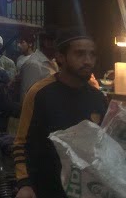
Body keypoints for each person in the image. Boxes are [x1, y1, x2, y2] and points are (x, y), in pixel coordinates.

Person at [13, 29, 107, 198]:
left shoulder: (97, 98)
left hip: (86, 188)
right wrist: (24, 183)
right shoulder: (40, 92)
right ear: (61, 57)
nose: (88, 61)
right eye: (79, 54)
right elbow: (21, 142)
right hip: (46, 187)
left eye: (92, 55)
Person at [19, 29, 59, 100]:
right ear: (48, 43)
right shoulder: (33, 64)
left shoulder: (54, 62)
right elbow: (27, 98)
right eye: (59, 43)